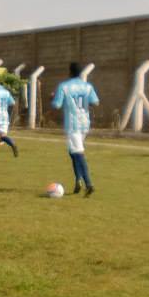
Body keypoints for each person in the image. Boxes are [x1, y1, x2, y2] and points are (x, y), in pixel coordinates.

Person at [52, 62, 99, 196]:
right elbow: (96, 102)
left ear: (70, 72)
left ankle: (89, 183)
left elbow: (57, 105)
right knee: (72, 152)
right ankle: (78, 180)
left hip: (73, 124)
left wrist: (52, 98)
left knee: (78, 153)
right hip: (85, 122)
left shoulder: (64, 86)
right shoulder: (88, 86)